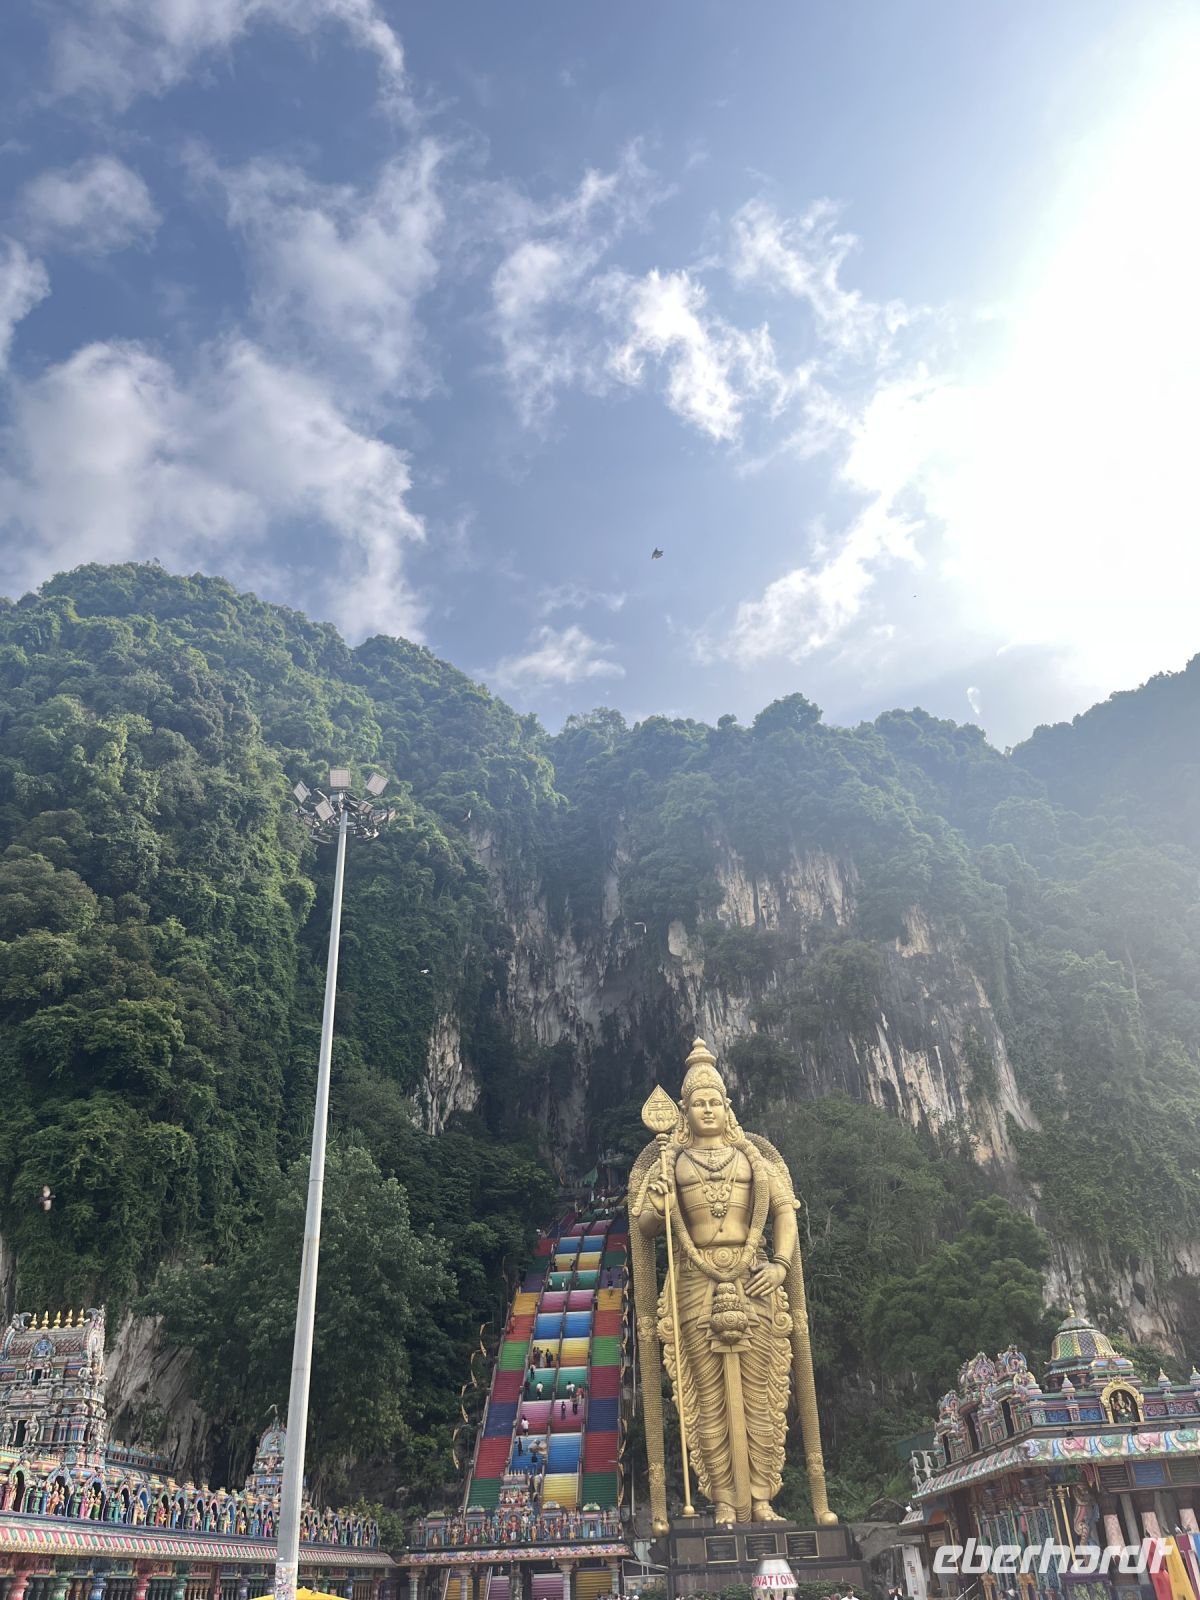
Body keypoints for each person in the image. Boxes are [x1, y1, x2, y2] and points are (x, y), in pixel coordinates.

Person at [631, 1039, 830, 1527]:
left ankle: (762, 1497)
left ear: (727, 1106)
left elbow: (785, 1213)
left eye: (714, 1101)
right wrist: (657, 1200)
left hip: (754, 1279)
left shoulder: (755, 1160)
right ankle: (723, 1499)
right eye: (697, 1103)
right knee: (706, 1396)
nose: (707, 1110)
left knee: (762, 1391)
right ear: (684, 1111)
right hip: (696, 1286)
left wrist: (780, 1264)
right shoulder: (670, 1164)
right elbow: (645, 1228)